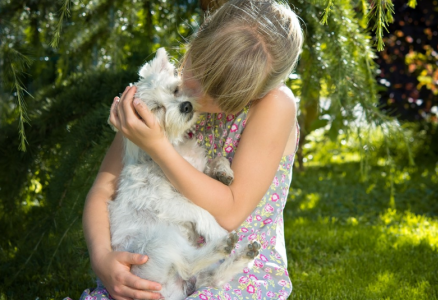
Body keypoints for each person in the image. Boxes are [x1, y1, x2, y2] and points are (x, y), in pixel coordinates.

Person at [74, 1, 303, 299]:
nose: (194, 94)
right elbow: (105, 187)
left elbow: (231, 211)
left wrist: (156, 146)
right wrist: (102, 257)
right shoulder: (164, 90)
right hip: (160, 263)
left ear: (256, 93)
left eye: (219, 93)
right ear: (197, 41)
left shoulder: (274, 105)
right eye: (199, 71)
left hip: (234, 271)